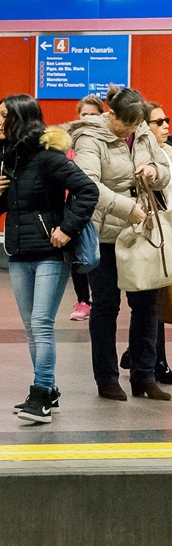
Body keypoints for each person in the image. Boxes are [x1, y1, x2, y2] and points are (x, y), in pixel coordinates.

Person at [0, 94, 97, 423]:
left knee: (41, 325)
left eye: (5, 116)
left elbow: (88, 190)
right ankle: (49, 390)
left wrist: (67, 229)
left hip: (49, 253)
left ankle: (41, 392)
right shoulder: (7, 160)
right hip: (18, 254)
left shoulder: (48, 158)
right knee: (31, 328)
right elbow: (6, 207)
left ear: (23, 118)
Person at [70, 86, 172, 400]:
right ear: (111, 114)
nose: (130, 129)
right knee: (106, 307)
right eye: (124, 123)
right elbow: (88, 184)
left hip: (143, 232)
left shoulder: (142, 130)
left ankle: (144, 376)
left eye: (135, 124)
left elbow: (166, 168)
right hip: (106, 235)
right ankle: (107, 378)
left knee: (146, 306)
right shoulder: (90, 137)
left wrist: (153, 171)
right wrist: (127, 209)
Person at [139, 103, 172, 384]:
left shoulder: (170, 154)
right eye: (158, 122)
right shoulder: (143, 157)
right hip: (157, 235)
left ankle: (139, 352)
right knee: (156, 300)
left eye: (166, 120)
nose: (165, 126)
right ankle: (157, 361)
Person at [68, 95, 105, 322]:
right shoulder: (68, 144)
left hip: (99, 211)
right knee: (77, 258)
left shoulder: (107, 143)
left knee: (96, 257)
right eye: (85, 115)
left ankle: (99, 300)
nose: (89, 119)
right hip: (74, 209)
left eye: (94, 115)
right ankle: (83, 301)